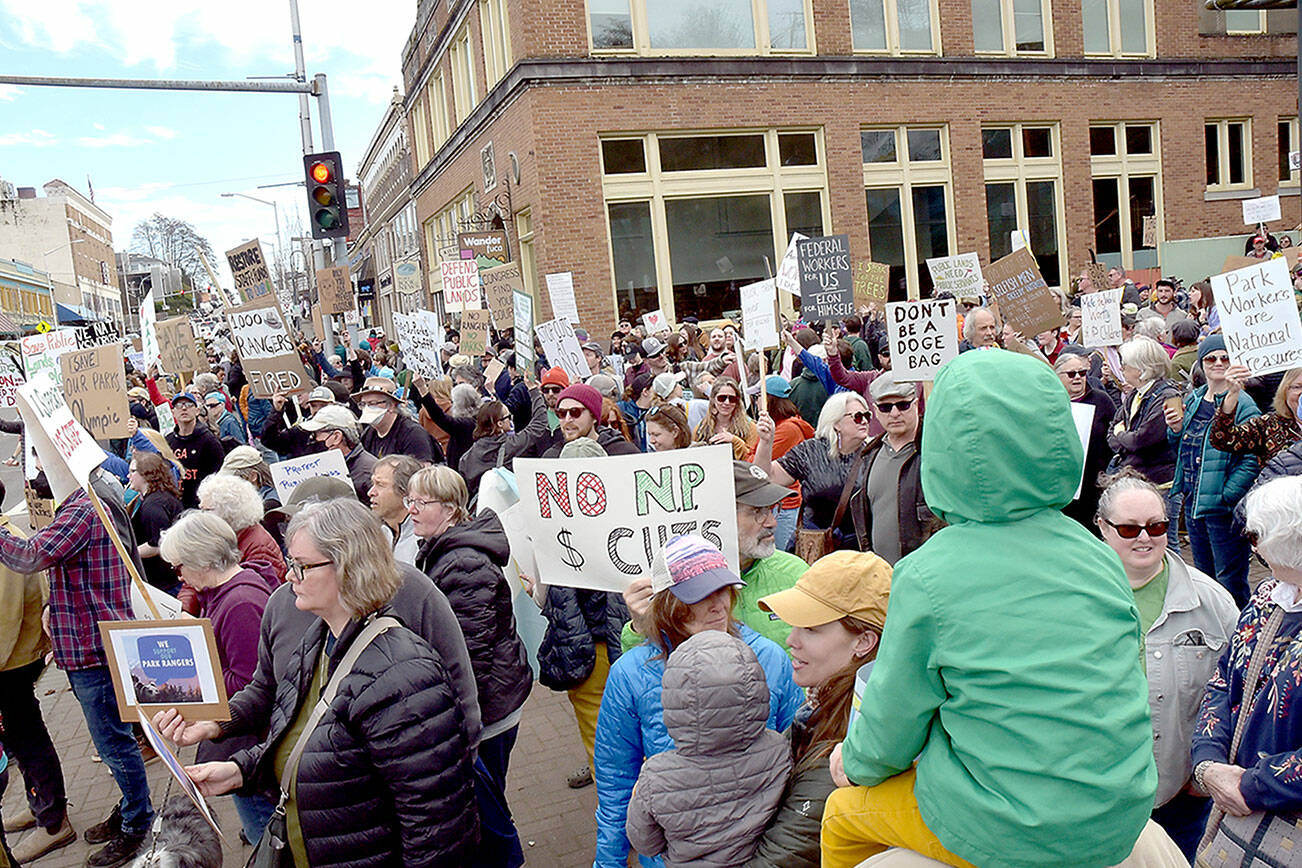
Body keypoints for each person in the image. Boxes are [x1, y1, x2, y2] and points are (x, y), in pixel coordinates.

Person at [820, 350, 1156, 868]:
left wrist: (856, 762)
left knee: (841, 814)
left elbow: (894, 718)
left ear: (942, 447)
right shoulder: (1096, 552)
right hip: (1118, 811)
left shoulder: (928, 574)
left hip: (1003, 828)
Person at [179, 499, 480, 868]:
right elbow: (299, 735)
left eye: (301, 566)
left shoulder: (402, 673)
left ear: (349, 567)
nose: (289, 576)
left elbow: (434, 825)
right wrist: (240, 770)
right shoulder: (318, 640)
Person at [594, 534, 803, 868]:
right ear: (666, 602)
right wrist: (609, 862)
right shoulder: (631, 675)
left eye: (722, 589)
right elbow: (616, 780)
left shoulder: (768, 658)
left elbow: (798, 763)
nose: (718, 604)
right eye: (699, 595)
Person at [0, 488, 153, 868]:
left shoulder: (82, 510)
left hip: (91, 652)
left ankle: (138, 823)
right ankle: (131, 809)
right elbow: (57, 565)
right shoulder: (83, 505)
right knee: (114, 743)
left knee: (115, 746)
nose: (34, 490)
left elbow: (31, 556)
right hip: (87, 648)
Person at [1094, 473, 1238, 860]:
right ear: (1102, 528)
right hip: (1097, 795)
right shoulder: (1074, 600)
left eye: (1156, 526)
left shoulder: (1212, 603)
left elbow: (1241, 693)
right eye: (1129, 528)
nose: (1145, 537)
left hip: (1181, 799)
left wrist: (1205, 769)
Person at [748, 550, 892, 868]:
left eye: (811, 629)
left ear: (864, 641)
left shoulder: (845, 746)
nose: (791, 639)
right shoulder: (821, 707)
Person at [1192, 475, 1302, 863]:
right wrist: (1208, 762)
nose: (1251, 547)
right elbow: (1224, 679)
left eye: (1256, 538)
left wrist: (1252, 785)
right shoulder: (1267, 595)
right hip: (1236, 812)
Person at [408, 465, 533, 801]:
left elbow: (469, 653)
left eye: (422, 502)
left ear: (450, 508)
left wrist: (460, 720)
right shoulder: (444, 548)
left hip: (490, 708)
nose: (411, 509)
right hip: (494, 698)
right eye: (410, 499)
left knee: (487, 802)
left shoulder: (463, 562)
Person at [625, 631, 791, 868]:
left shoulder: (656, 775)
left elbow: (646, 844)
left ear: (675, 701)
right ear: (756, 688)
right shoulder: (779, 750)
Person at [158, 510, 275, 845]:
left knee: (264, 835)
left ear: (202, 560)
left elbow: (251, 683)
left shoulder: (239, 603)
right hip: (240, 739)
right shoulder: (229, 593)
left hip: (247, 742)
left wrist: (189, 675)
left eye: (179, 566)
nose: (179, 576)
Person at [0, 497, 73, 866]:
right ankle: (41, 803)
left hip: (10, 663)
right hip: (15, 658)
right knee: (23, 737)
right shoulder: (6, 533)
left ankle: (52, 819)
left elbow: (3, 620)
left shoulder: (2, 542)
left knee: (26, 738)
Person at [1164, 335, 1260, 607]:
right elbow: (1181, 448)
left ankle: (1241, 634)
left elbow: (1252, 457)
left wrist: (1227, 494)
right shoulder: (1193, 399)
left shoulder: (1243, 403)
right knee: (1204, 580)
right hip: (1194, 503)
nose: (1218, 363)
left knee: (1230, 580)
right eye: (1210, 358)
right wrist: (1174, 430)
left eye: (1225, 358)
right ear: (1201, 364)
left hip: (1222, 510)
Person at [755, 391, 871, 550]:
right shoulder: (809, 451)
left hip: (860, 549)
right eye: (857, 417)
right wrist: (766, 442)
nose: (864, 421)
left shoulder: (874, 453)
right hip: (816, 547)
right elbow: (767, 477)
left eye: (867, 415)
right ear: (836, 422)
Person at [1107, 336, 1181, 547]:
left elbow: (1142, 439)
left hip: (1161, 482)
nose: (1121, 368)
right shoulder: (1135, 395)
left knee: (1166, 542)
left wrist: (1122, 435)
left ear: (1141, 369)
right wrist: (1123, 436)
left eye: (1125, 364)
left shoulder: (1165, 396)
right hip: (1141, 478)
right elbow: (1112, 431)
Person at [851, 374, 932, 564]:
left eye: (902, 405)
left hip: (926, 573)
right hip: (881, 576)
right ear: (875, 411)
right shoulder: (870, 455)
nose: (894, 413)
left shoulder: (934, 451)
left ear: (915, 403)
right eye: (886, 407)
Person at [1056, 351, 1118, 530]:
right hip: (1062, 484)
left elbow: (1114, 434)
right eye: (1071, 374)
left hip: (1093, 484)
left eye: (1082, 373)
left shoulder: (1101, 400)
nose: (1078, 378)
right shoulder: (1050, 402)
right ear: (1057, 376)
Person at [752, 376, 814, 552]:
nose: (756, 402)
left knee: (780, 556)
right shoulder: (778, 426)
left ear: (768, 401)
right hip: (777, 505)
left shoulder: (787, 430)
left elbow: (755, 467)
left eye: (758, 397)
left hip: (784, 507)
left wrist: (737, 443)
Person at [197, 474, 287, 585]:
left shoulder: (259, 548)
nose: (201, 516)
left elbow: (255, 592)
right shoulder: (218, 534)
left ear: (228, 512)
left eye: (206, 510)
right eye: (200, 509)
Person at [460, 390, 549, 499]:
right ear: (500, 424)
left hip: (478, 508)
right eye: (509, 417)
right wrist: (534, 391)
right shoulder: (509, 445)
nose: (511, 420)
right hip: (503, 507)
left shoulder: (467, 457)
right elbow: (539, 424)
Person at [1209, 365, 1302, 463]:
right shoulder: (1268, 425)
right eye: (1297, 387)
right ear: (1285, 391)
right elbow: (1222, 440)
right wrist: (1233, 393)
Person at [127, 451, 185, 595]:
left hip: (164, 584)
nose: (129, 476)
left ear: (147, 474)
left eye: (133, 471)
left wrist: (128, 554)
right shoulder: (160, 497)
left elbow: (157, 544)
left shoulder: (153, 505)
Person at [300, 404, 378, 505]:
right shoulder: (329, 465)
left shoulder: (368, 471)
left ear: (337, 437)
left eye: (317, 434)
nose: (314, 439)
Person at [355, 376, 441, 464]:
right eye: (363, 404)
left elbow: (422, 472)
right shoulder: (368, 434)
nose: (367, 408)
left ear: (391, 406)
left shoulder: (413, 434)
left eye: (373, 403)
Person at [542, 383, 641, 457]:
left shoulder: (624, 453)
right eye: (561, 413)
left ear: (593, 416)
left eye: (575, 412)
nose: (568, 419)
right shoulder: (552, 457)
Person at [165, 391, 226, 508]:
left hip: (200, 504)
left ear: (197, 411)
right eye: (179, 406)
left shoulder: (209, 440)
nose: (183, 409)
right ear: (173, 412)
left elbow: (218, 474)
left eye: (188, 405)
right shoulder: (169, 441)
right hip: (176, 502)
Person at [370, 454, 423, 565]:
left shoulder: (422, 540)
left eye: (380, 485)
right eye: (372, 484)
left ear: (405, 492)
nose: (371, 493)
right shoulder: (379, 534)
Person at [691, 378, 757, 458]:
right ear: (713, 400)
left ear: (737, 402)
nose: (727, 403)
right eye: (721, 398)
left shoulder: (750, 427)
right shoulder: (701, 428)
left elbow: (753, 459)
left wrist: (735, 441)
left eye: (732, 399)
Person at [220, 445, 281, 512]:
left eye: (234, 480)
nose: (230, 485)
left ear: (252, 476)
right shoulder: (261, 494)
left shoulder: (270, 504)